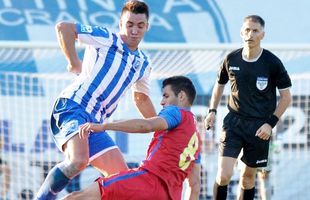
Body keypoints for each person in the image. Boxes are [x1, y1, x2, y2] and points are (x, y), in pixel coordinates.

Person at [35, 1, 157, 199]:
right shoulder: (106, 38)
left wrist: (163, 126)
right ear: (121, 24)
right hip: (74, 105)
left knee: (121, 180)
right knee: (78, 160)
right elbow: (64, 28)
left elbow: (141, 99)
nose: (134, 30)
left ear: (147, 27)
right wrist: (74, 62)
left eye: (140, 25)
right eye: (129, 24)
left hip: (94, 123)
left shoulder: (143, 63)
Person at [61, 76, 201, 200]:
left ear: (181, 96)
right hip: (171, 195)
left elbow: (146, 125)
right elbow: (194, 185)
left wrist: (104, 126)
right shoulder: (196, 139)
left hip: (148, 183)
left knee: (76, 197)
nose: (162, 102)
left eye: (166, 96)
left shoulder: (176, 112)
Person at [204, 15, 292, 200]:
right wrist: (212, 111)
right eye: (247, 30)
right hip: (233, 124)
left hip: (259, 127)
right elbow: (219, 85)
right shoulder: (231, 58)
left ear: (262, 35)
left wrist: (270, 124)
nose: (250, 34)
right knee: (223, 175)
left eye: (255, 31)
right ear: (241, 32)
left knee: (247, 179)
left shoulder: (272, 62)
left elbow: (286, 98)